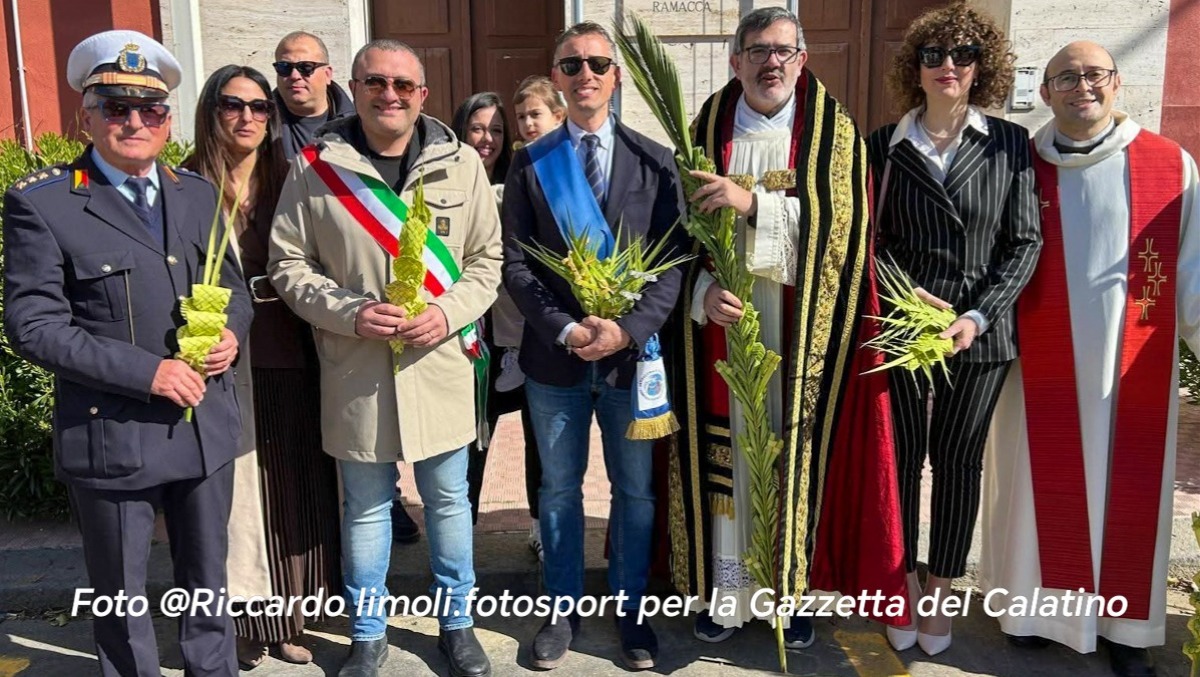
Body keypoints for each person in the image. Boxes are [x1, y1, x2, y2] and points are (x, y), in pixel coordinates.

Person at [3, 30, 251, 676]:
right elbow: (33, 325)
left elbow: (234, 289)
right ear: (87, 115)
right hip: (113, 435)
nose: (135, 122)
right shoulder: (45, 202)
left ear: (168, 120)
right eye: (116, 108)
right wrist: (150, 372)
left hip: (202, 430)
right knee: (120, 597)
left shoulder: (196, 193)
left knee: (207, 586)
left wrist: (231, 334)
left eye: (152, 110)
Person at [668, 6, 908, 650]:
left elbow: (847, 239)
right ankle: (726, 592)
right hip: (724, 330)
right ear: (734, 59)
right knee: (729, 454)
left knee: (790, 452)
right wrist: (700, 292)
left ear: (802, 60)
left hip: (804, 332)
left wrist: (751, 204)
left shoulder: (835, 135)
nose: (769, 62)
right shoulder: (704, 129)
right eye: (756, 50)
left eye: (782, 51)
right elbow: (672, 239)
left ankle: (790, 593)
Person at [268, 38, 501, 677]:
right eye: (376, 82)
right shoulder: (315, 167)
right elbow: (287, 263)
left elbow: (487, 262)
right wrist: (349, 311)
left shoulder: (462, 164)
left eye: (403, 84)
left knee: (449, 502)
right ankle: (368, 633)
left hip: (439, 363)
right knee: (366, 508)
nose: (389, 94)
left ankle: (459, 624)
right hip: (357, 368)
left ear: (422, 94)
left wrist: (449, 312)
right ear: (356, 86)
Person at [979, 40, 1200, 677]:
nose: (1084, 87)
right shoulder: (1018, 162)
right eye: (1067, 77)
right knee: (1030, 485)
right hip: (1036, 366)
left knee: (1124, 492)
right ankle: (1031, 613)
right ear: (1044, 92)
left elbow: (1190, 272)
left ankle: (1128, 631)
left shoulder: (1168, 164)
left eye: (1095, 74)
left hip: (1126, 368)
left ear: (1118, 83)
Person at [502, 21, 686, 671]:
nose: (585, 75)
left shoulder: (654, 160)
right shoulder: (531, 163)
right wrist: (566, 326)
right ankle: (561, 607)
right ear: (556, 76)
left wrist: (626, 328)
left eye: (597, 64)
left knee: (634, 492)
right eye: (572, 64)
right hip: (556, 360)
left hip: (630, 364)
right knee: (558, 490)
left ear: (616, 76)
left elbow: (672, 266)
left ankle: (631, 610)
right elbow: (516, 266)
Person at [864, 0, 1041, 656]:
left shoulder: (1009, 144)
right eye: (933, 56)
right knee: (905, 461)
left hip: (981, 334)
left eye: (962, 55)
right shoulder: (882, 146)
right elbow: (870, 238)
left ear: (981, 67)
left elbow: (1024, 244)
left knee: (959, 463)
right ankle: (903, 582)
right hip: (904, 328)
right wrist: (906, 297)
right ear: (915, 67)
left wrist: (973, 315)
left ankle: (940, 589)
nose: (947, 66)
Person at [183, 64, 341, 669]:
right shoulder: (186, 183)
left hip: (290, 350)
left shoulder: (292, 177)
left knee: (293, 485)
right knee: (235, 492)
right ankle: (244, 617)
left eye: (258, 107)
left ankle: (293, 618)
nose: (247, 117)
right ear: (211, 111)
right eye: (232, 105)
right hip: (218, 356)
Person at [448, 92, 537, 537]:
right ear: (461, 129)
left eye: (497, 130)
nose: (487, 139)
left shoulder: (521, 183)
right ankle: (462, 538)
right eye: (478, 128)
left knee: (539, 443)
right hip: (470, 338)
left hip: (523, 338)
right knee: (470, 446)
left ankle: (540, 532)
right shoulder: (443, 184)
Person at [272, 31, 354, 159]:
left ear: (327, 74)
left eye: (305, 67)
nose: (294, 76)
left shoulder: (360, 124)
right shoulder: (261, 123)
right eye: (284, 67)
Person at [513, 75, 566, 148]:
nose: (528, 123)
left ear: (557, 117)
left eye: (535, 114)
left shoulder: (566, 149)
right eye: (521, 117)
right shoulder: (523, 155)